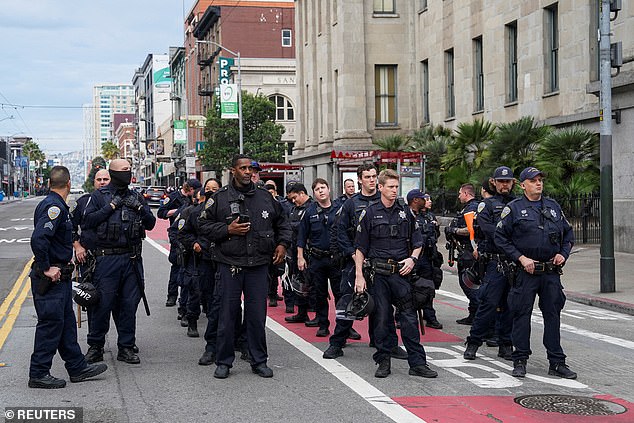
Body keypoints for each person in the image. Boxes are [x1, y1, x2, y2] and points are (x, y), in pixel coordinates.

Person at [199, 154, 291, 379]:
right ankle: (223, 361)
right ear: (233, 170)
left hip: (259, 265)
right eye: (243, 168)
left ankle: (258, 360)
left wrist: (282, 245)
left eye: (251, 168)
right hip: (230, 264)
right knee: (227, 316)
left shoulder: (265, 197)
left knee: (257, 316)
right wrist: (227, 230)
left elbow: (284, 223)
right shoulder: (219, 198)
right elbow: (202, 225)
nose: (248, 172)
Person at [28, 166, 107, 389]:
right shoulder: (54, 207)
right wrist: (46, 267)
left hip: (61, 277)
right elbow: (39, 239)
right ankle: (38, 373)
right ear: (69, 183)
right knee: (51, 325)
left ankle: (77, 366)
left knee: (66, 325)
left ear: (49, 183)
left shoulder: (55, 204)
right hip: (50, 278)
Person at [354, 170, 438, 379]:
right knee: (382, 320)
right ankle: (383, 361)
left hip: (401, 273)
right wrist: (359, 276)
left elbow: (418, 243)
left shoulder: (405, 213)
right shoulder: (370, 213)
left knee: (409, 319)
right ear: (380, 188)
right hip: (379, 275)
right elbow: (360, 249)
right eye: (390, 187)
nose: (394, 191)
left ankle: (417, 363)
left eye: (396, 187)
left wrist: (412, 259)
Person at [495, 167, 576, 379]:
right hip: (526, 272)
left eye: (540, 180)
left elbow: (568, 233)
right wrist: (521, 258)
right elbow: (500, 238)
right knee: (521, 315)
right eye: (533, 181)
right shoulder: (513, 208)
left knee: (553, 315)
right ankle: (520, 359)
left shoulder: (553, 207)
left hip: (550, 272)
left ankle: (557, 361)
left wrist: (563, 254)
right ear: (522, 185)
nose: (538, 183)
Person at [82, 159, 156, 364]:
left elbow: (151, 224)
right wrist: (111, 207)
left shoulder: (136, 196)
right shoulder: (99, 197)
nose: (128, 173)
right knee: (102, 304)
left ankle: (126, 346)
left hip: (131, 258)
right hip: (106, 259)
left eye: (129, 170)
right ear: (113, 173)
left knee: (128, 305)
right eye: (124, 170)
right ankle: (96, 346)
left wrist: (140, 208)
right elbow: (87, 222)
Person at [323, 164, 393, 360]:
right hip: (354, 262)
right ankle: (337, 343)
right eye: (368, 177)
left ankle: (384, 343)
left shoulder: (385, 201)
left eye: (374, 176)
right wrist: (353, 256)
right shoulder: (351, 204)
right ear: (360, 180)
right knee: (349, 303)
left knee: (383, 305)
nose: (372, 180)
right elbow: (340, 233)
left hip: (380, 261)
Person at [464, 166, 516, 362]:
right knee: (488, 305)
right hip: (496, 262)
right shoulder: (486, 205)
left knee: (510, 306)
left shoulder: (518, 204)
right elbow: (490, 232)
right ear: (494, 182)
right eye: (501, 181)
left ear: (512, 183)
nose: (504, 184)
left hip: (514, 262)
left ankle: (506, 344)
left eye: (508, 181)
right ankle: (473, 343)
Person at [296, 178, 342, 337]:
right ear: (314, 193)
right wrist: (300, 257)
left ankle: (345, 326)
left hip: (336, 259)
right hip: (317, 258)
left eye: (323, 187)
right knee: (320, 294)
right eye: (317, 189)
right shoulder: (309, 211)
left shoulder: (340, 209)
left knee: (341, 294)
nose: (321, 191)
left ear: (329, 189)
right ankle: (323, 324)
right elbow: (301, 236)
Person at [158, 179, 202, 308]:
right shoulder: (173, 197)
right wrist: (176, 211)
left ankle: (191, 299)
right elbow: (162, 213)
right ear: (191, 189)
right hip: (177, 236)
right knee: (176, 267)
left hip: (189, 238)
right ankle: (172, 296)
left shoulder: (193, 200)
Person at [407, 190, 443, 329]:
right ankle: (402, 315)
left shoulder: (429, 216)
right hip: (412, 257)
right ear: (416, 200)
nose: (429, 201)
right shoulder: (407, 215)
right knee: (407, 288)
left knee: (428, 288)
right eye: (425, 199)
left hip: (427, 257)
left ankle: (429, 316)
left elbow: (435, 234)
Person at [445, 183, 480, 325]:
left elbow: (470, 229)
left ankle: (478, 315)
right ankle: (473, 315)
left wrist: (454, 231)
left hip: (469, 251)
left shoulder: (471, 208)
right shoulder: (472, 207)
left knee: (468, 283)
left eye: (460, 193)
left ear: (466, 193)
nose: (459, 196)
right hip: (466, 251)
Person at [284, 182, 314, 319]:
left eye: (295, 197)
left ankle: (317, 314)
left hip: (310, 251)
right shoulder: (294, 209)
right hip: (295, 250)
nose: (294, 201)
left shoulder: (312, 207)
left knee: (312, 283)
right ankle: (301, 312)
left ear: (302, 193)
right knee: (298, 281)